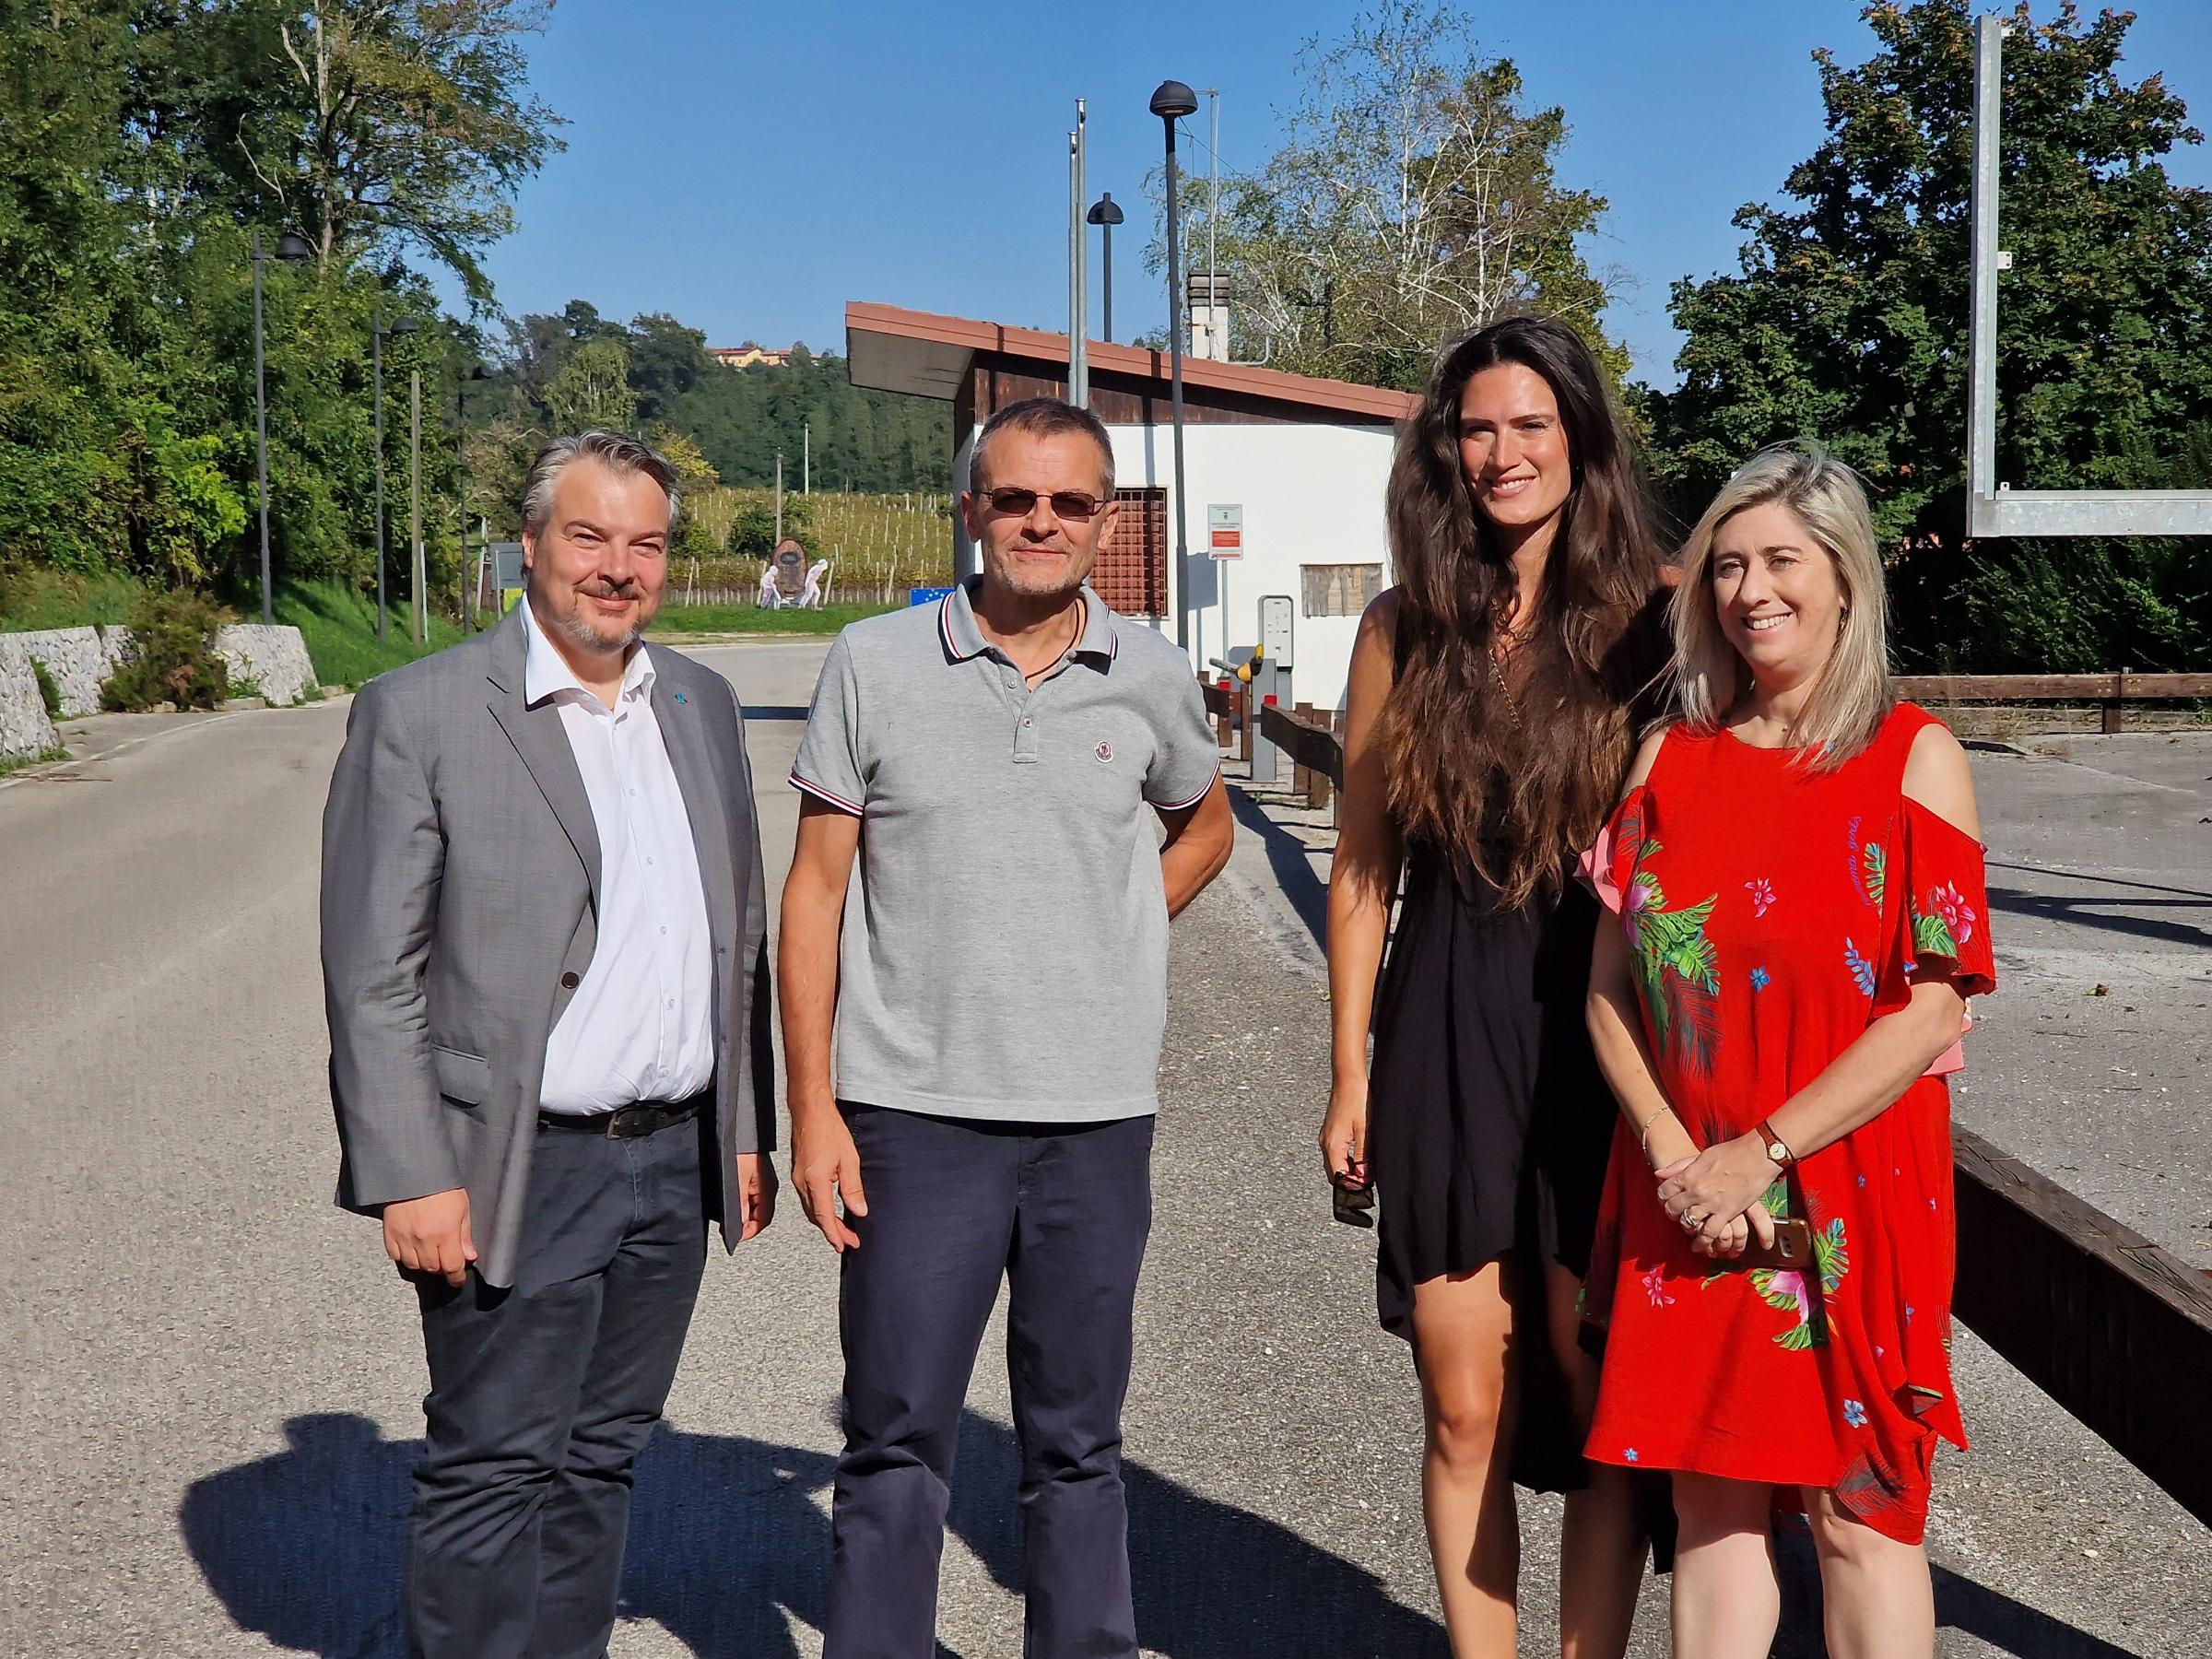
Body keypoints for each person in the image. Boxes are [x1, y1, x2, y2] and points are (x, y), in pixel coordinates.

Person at [780, 395, 1235, 1659]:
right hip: (915, 1117)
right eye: (1016, 498)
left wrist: (1120, 921)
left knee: (1078, 1443)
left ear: (1104, 523)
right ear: (973, 509)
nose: (1042, 521)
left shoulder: (1147, 673)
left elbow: (1206, 822)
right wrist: (813, 1110)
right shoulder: (872, 664)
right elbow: (814, 893)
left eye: (1071, 502)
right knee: (897, 1435)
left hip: (1093, 1121)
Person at [321, 429, 778, 1659]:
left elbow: (736, 936)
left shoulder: (702, 702)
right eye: (590, 536)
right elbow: (373, 973)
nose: (618, 568)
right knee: (493, 1468)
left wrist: (743, 1131)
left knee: (600, 1463)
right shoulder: (419, 714)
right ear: (530, 547)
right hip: (517, 1159)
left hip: (669, 1160)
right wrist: (410, 1170)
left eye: (646, 542)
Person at [1579, 443, 1994, 1659]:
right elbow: (1609, 992)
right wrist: (1676, 1159)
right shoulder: (1670, 760)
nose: (1751, 591)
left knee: (1861, 1514)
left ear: (1846, 577)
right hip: (1684, 1191)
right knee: (1707, 1508)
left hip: (1851, 1191)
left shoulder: (1914, 756)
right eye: (1728, 567)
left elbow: (1931, 1011)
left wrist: (1757, 1155)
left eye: (1782, 562)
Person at [1320, 316, 1670, 1658]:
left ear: (1579, 438)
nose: (1504, 451)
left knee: (1595, 1394)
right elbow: (1359, 871)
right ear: (1445, 450)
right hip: (1445, 1028)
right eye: (1478, 428)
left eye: (1532, 424)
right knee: (1463, 1396)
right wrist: (1348, 1068)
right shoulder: (1402, 629)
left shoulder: (1657, 616)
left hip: (1605, 1028)